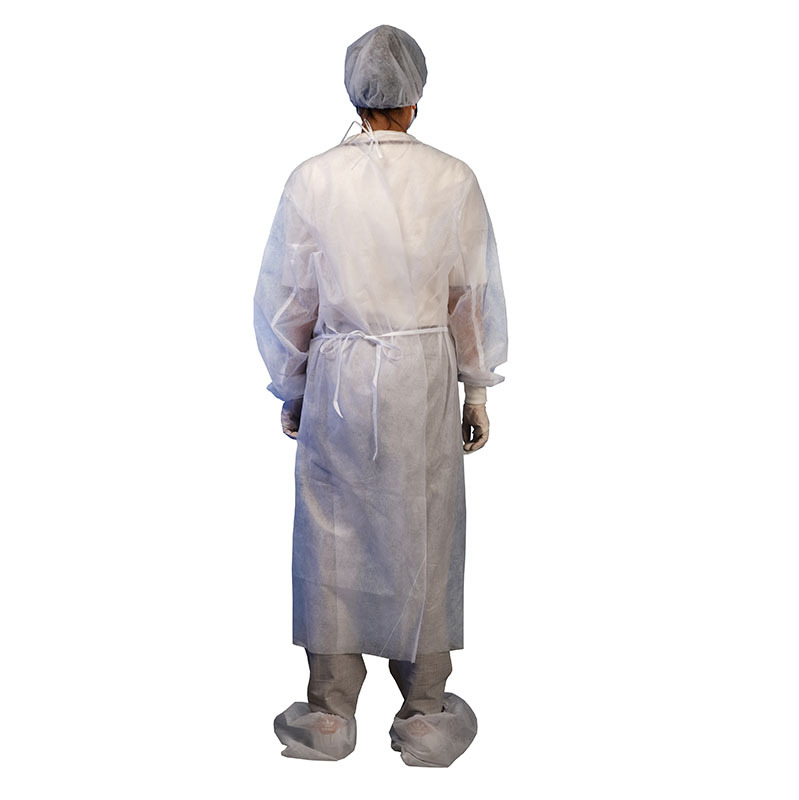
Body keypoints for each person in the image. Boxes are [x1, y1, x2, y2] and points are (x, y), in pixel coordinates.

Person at [253, 24, 508, 767]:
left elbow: (289, 297)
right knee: (422, 530)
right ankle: (425, 705)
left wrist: (292, 386)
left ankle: (328, 712)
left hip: (338, 378)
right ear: (415, 95)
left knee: (333, 534)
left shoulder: (313, 179)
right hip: (421, 382)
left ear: (354, 93)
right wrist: (477, 387)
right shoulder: (452, 178)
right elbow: (470, 296)